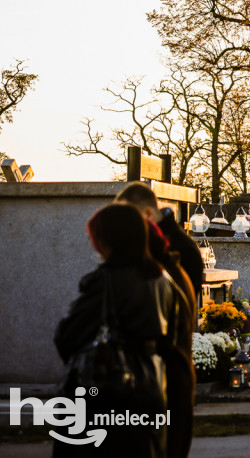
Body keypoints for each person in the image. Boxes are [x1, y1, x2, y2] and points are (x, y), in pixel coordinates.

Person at [55, 203, 180, 457]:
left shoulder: (105, 282)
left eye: (96, 238)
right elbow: (171, 338)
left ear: (109, 240)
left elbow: (67, 337)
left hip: (109, 390)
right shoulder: (163, 279)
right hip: (152, 386)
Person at [114, 183, 197, 458]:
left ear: (148, 215)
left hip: (165, 371)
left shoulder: (174, 253)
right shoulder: (174, 249)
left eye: (130, 219)